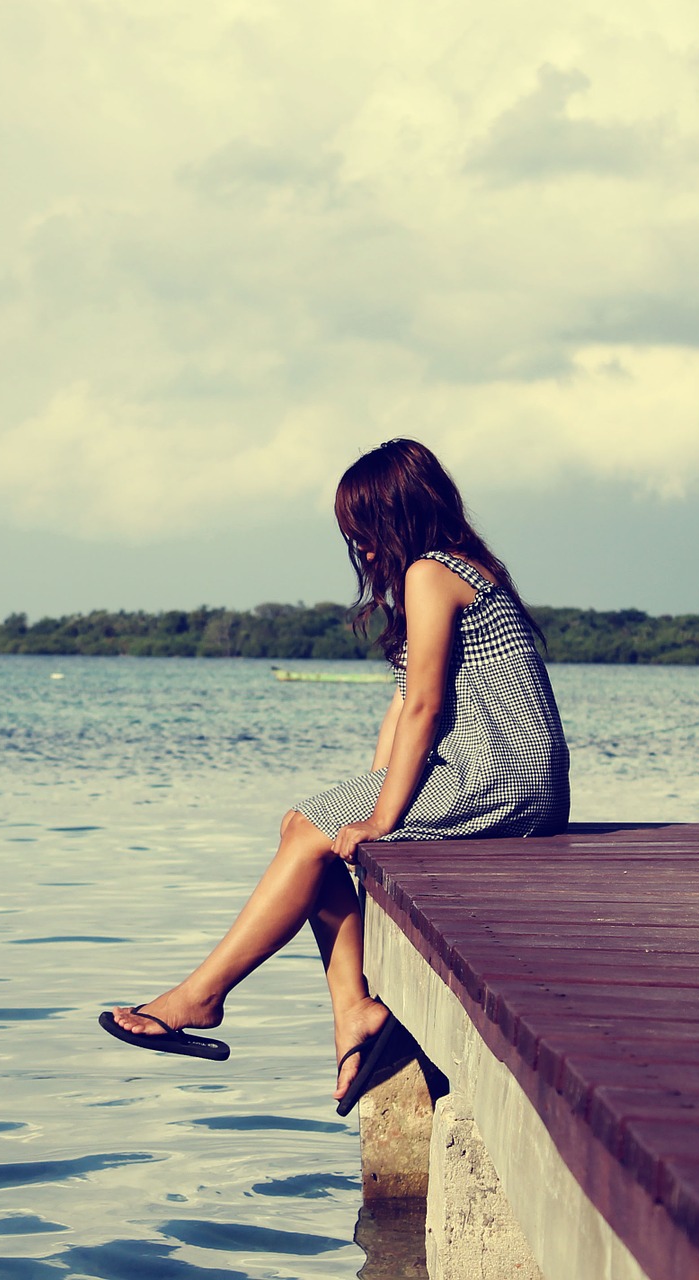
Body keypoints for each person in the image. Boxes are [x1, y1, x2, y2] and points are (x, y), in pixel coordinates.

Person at [99, 438, 570, 1114]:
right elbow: (406, 702)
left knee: (309, 833)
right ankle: (353, 1014)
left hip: (500, 778)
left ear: (398, 517)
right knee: (306, 828)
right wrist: (371, 795)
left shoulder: (432, 573)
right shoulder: (454, 569)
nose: (365, 552)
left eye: (366, 535)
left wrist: (382, 818)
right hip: (500, 775)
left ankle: (202, 997)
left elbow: (429, 708)